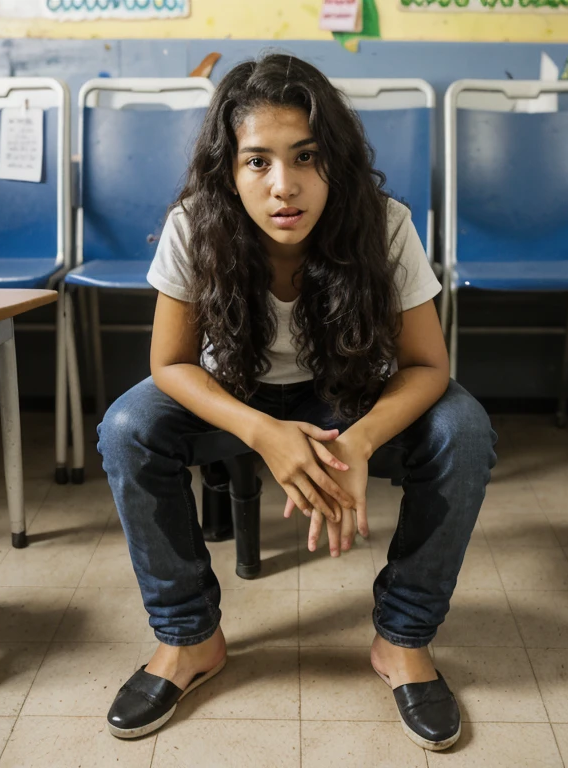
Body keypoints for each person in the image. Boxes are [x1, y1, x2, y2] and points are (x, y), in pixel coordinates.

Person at [97, 53, 496, 751]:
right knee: (128, 427)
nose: (285, 186)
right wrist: (264, 433)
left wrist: (361, 440)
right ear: (230, 168)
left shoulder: (382, 224)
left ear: (334, 159)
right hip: (235, 396)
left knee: (463, 428)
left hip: (347, 393)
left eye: (305, 156)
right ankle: (190, 640)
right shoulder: (197, 226)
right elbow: (169, 365)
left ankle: (402, 639)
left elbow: (430, 367)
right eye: (258, 162)